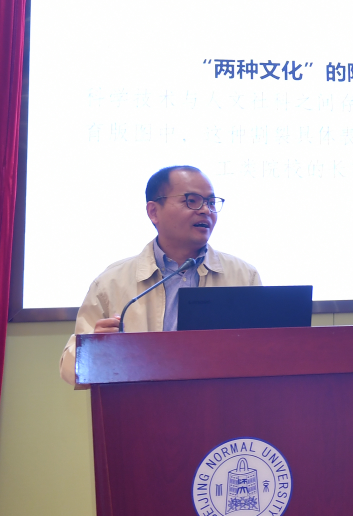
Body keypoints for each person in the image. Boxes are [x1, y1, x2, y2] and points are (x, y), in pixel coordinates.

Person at [59, 165, 260, 384]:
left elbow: (264, 353)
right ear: (153, 212)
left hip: (219, 402)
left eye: (211, 202)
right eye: (192, 201)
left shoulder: (244, 277)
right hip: (142, 402)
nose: (205, 210)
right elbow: (69, 371)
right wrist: (94, 349)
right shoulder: (111, 282)